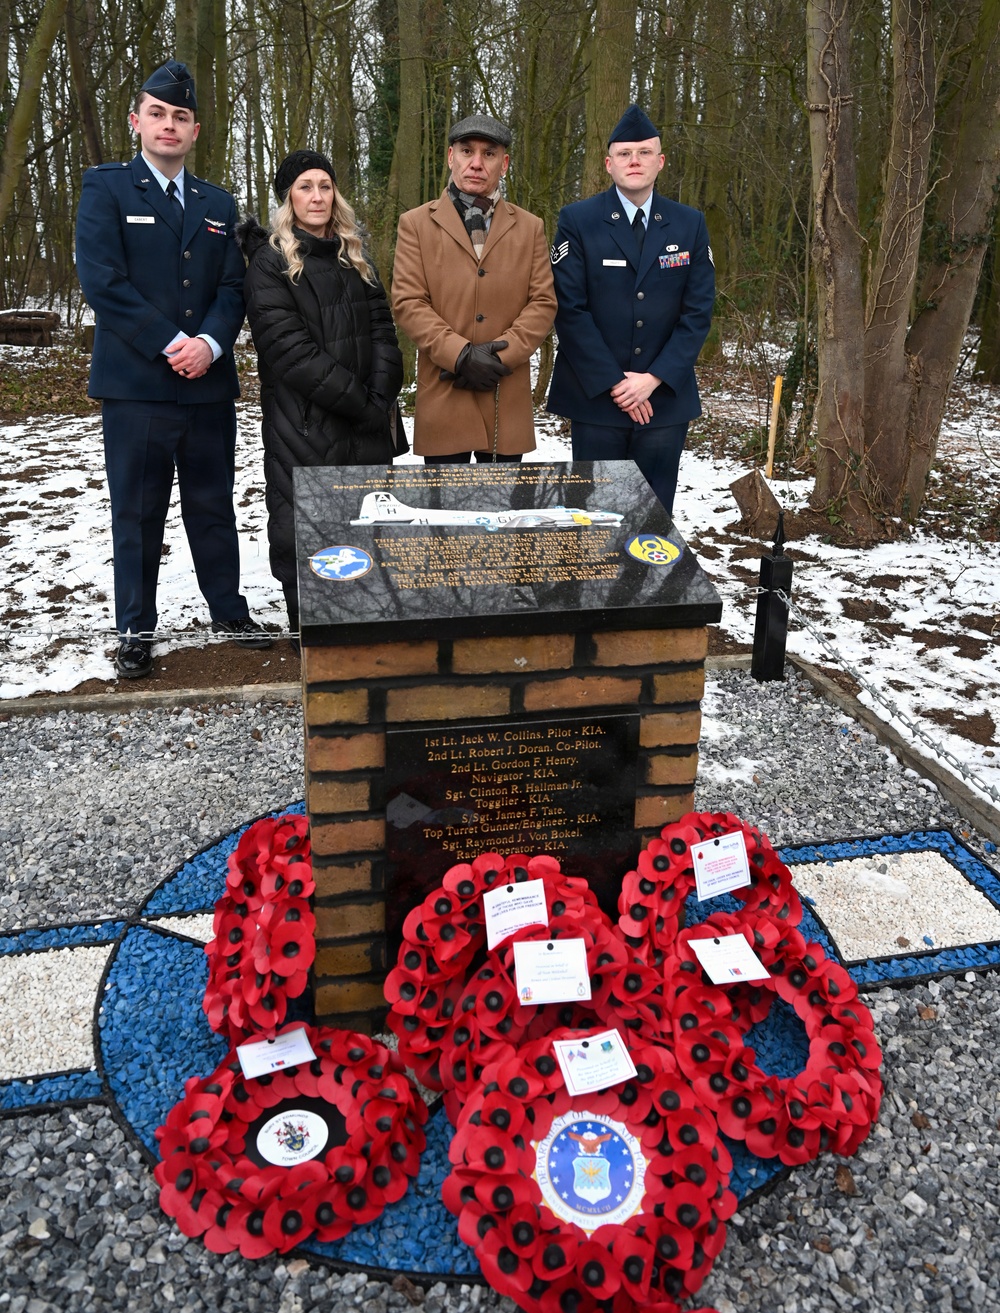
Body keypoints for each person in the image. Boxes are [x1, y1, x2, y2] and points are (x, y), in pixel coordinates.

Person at [75, 59, 271, 679]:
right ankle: (135, 625)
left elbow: (233, 286)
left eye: (180, 117)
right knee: (137, 509)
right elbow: (103, 284)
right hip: (136, 386)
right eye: (157, 114)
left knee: (213, 504)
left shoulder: (219, 201)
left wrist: (211, 344)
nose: (168, 125)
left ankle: (228, 609)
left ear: (195, 130)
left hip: (206, 384)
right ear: (137, 122)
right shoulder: (106, 189)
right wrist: (171, 343)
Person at [239, 150, 403, 641]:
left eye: (325, 186)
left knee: (369, 525)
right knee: (305, 529)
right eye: (305, 186)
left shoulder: (356, 255)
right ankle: (314, 635)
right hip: (304, 426)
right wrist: (362, 403)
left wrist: (381, 393)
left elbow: (385, 333)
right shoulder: (269, 261)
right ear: (288, 196)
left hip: (369, 424)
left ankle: (370, 628)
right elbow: (289, 350)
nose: (317, 196)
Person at [546, 104, 715, 515]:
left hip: (663, 401)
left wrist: (652, 379)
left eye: (643, 152)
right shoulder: (578, 221)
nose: (634, 161)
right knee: (595, 512)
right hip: (596, 398)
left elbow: (697, 311)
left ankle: (652, 582)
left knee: (653, 515)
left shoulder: (688, 224)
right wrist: (617, 383)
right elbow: (569, 309)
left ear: (661, 161)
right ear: (608, 163)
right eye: (624, 153)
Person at [391, 114, 557, 463]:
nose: (477, 163)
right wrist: (462, 355)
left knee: (503, 516)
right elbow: (408, 302)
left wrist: (498, 358)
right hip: (444, 394)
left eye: (489, 153)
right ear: (451, 157)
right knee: (444, 514)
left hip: (504, 399)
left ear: (505, 163)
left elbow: (542, 303)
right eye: (467, 151)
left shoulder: (530, 227)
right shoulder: (416, 224)